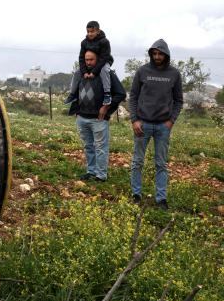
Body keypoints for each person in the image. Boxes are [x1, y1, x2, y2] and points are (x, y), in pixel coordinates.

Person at [129, 39, 183, 210]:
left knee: (161, 163)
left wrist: (171, 121)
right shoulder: (142, 71)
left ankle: (161, 199)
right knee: (138, 161)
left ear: (166, 55)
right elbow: (133, 97)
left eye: (160, 54)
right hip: (142, 124)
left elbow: (178, 101)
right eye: (155, 53)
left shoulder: (174, 74)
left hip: (162, 126)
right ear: (151, 54)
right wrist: (134, 119)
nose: (157, 56)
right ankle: (136, 194)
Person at [69, 49, 126, 181]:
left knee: (101, 148)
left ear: (98, 59)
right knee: (88, 146)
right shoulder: (81, 73)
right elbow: (75, 92)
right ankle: (91, 171)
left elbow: (121, 94)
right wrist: (77, 111)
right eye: (86, 60)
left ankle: (101, 175)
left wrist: (106, 108)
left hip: (98, 119)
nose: (88, 62)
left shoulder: (107, 74)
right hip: (82, 117)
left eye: (91, 60)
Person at [65, 20, 115, 106]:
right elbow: (81, 58)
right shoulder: (84, 42)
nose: (90, 34)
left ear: (98, 31)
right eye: (88, 31)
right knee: (77, 72)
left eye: (92, 31)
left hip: (104, 61)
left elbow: (104, 58)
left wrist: (94, 72)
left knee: (105, 70)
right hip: (89, 63)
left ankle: (107, 94)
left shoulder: (105, 42)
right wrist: (84, 72)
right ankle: (72, 94)